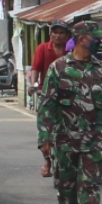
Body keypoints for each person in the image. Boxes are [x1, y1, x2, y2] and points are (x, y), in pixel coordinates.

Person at [37, 21, 102, 204]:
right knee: (66, 188)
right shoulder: (59, 68)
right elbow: (47, 106)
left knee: (90, 187)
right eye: (95, 37)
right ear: (82, 38)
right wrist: (44, 138)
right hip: (65, 141)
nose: (98, 40)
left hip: (94, 141)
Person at [31, 20, 73, 177]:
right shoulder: (43, 48)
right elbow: (35, 68)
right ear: (50, 34)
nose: (58, 36)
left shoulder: (71, 50)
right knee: (44, 130)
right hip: (47, 93)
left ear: (67, 35)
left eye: (61, 33)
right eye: (55, 32)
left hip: (68, 94)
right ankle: (47, 160)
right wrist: (34, 85)